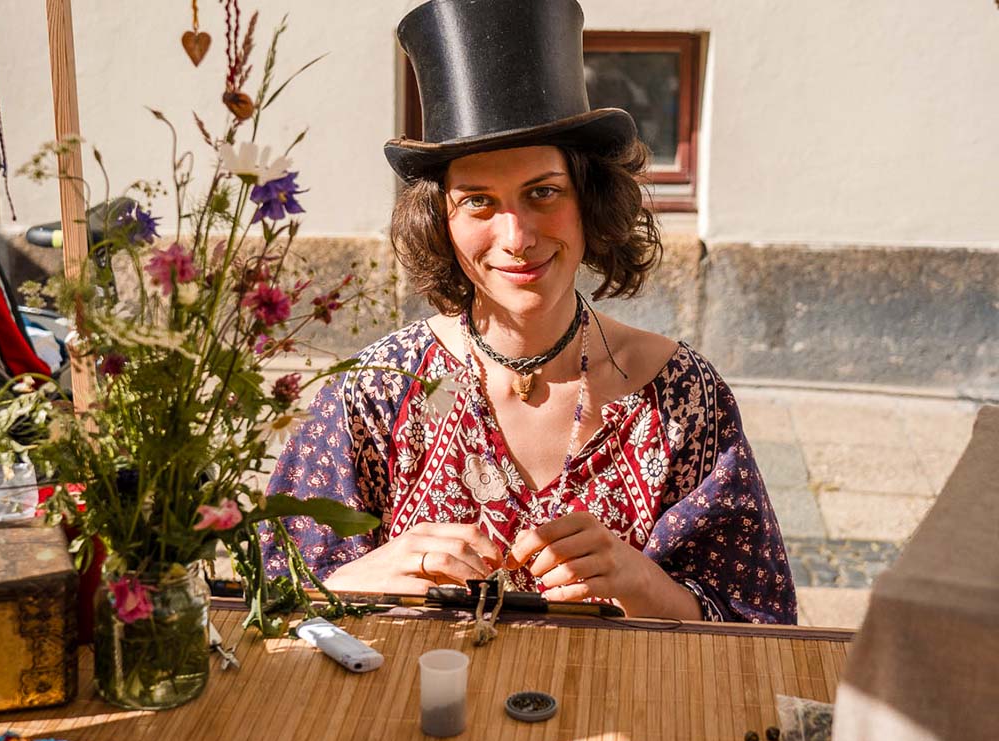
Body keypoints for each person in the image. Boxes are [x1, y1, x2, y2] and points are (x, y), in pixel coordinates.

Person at [264, 0, 796, 624]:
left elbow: (759, 627)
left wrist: (641, 582)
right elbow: (270, 604)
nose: (516, 236)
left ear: (589, 202)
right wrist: (361, 579)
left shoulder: (683, 398)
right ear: (440, 221)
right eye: (479, 202)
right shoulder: (375, 393)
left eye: (542, 193)